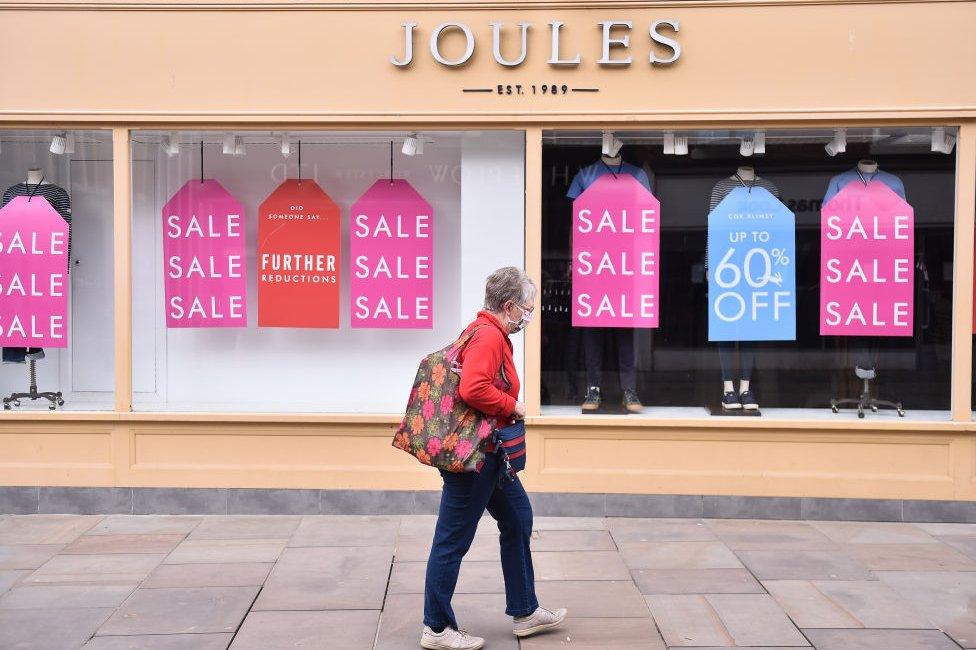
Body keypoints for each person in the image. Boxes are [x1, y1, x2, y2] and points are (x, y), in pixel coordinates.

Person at [421, 267, 567, 650]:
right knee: (452, 540)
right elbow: (473, 387)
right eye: (527, 309)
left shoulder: (484, 330)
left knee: (519, 518)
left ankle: (525, 611)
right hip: (476, 458)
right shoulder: (488, 335)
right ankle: (436, 628)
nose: (529, 317)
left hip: (489, 452)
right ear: (509, 306)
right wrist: (512, 405)